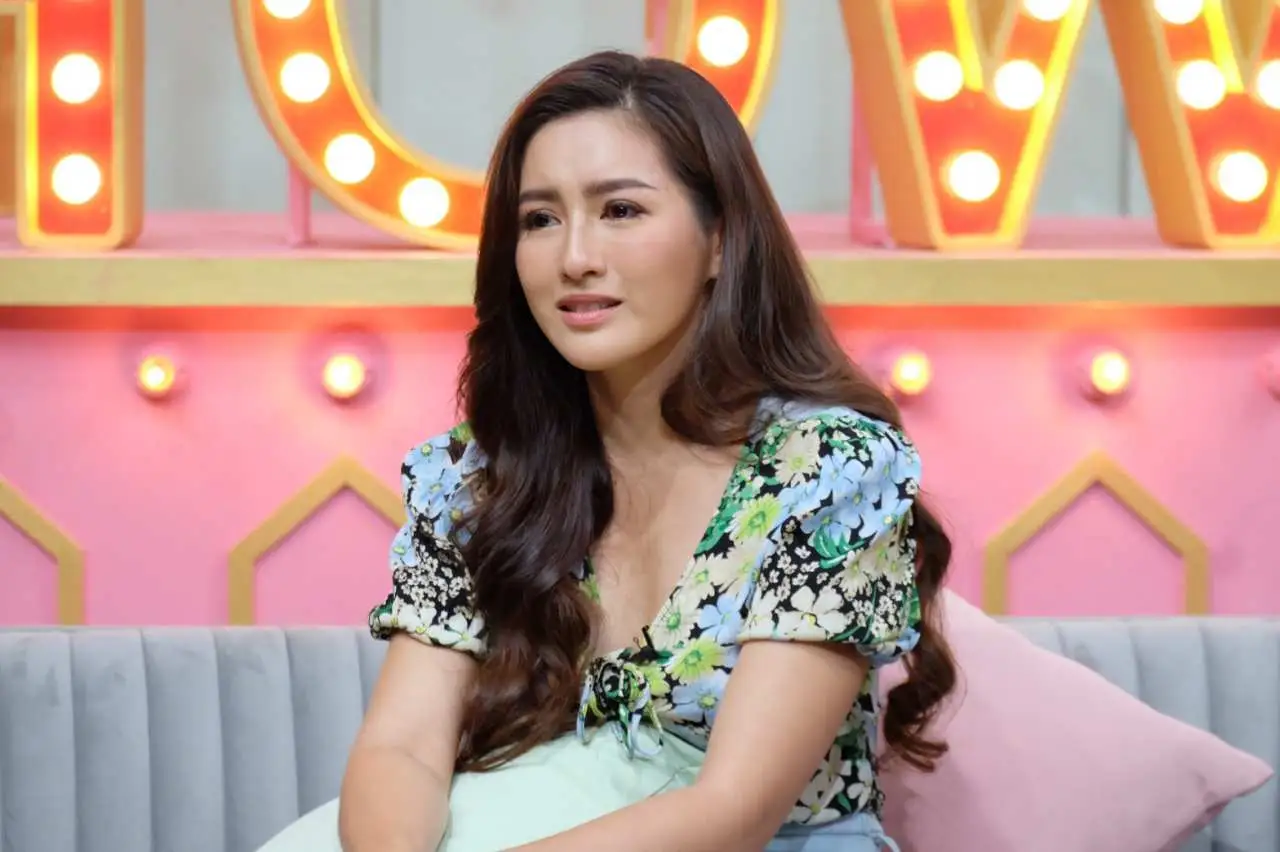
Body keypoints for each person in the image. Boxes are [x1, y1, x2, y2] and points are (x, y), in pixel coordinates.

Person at [339, 50, 957, 851]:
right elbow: (401, 747)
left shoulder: (827, 469)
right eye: (540, 219)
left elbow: (732, 812)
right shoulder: (480, 477)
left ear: (720, 241)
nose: (575, 257)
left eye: (621, 210)